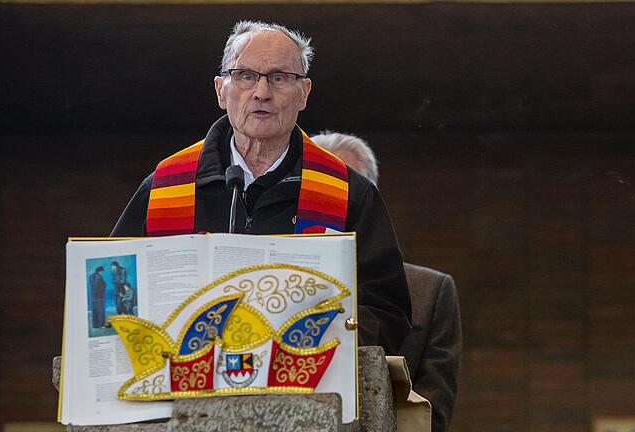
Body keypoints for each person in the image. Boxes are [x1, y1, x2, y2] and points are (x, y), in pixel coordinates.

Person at [110, 21, 411, 354]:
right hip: (180, 385)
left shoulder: (348, 192)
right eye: (245, 75)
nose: (262, 92)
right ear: (220, 91)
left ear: (305, 93)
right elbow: (114, 296)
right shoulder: (165, 187)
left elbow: (386, 309)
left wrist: (323, 348)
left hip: (307, 386)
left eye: (280, 77)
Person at [312, 132, 462, 432]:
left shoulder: (429, 292)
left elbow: (431, 415)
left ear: (368, 200)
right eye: (316, 190)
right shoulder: (270, 284)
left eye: (341, 190)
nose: (329, 204)